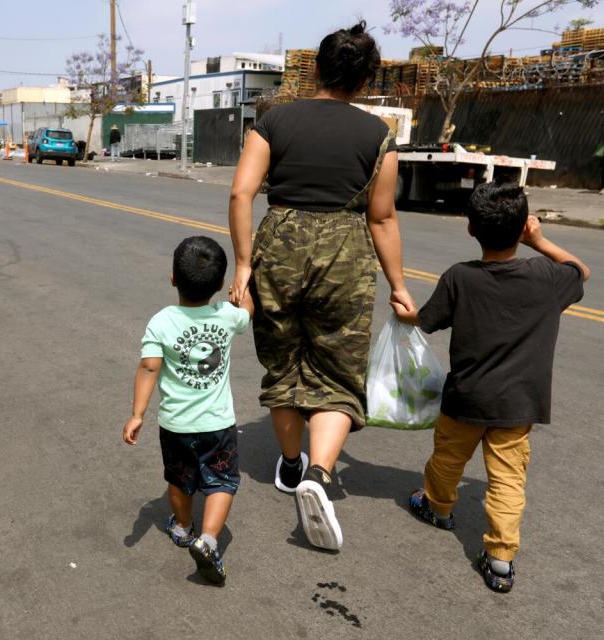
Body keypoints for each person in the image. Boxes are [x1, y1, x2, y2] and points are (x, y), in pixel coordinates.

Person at [227, 21, 415, 551]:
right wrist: (399, 285)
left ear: (316, 69)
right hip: (345, 252)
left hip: (279, 245)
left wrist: (244, 266)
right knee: (336, 369)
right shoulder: (378, 135)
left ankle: (291, 464)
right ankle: (321, 474)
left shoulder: (273, 120)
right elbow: (382, 218)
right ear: (365, 78)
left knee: (283, 361)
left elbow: (242, 195)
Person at [393, 182, 590, 594]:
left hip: (465, 397)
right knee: (507, 481)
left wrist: (404, 314)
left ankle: (437, 507)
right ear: (523, 228)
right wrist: (539, 240)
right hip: (519, 404)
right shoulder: (547, 277)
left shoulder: (459, 277)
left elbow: (426, 319)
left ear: (470, 229)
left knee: (448, 458)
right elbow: (580, 270)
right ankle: (500, 560)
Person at [123, 236, 253, 584]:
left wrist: (137, 414)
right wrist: (244, 287)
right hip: (217, 423)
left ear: (173, 279)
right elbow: (247, 314)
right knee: (222, 480)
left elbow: (149, 368)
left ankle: (182, 527)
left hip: (176, 425)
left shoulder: (162, 322)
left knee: (179, 480)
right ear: (221, 285)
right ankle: (209, 539)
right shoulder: (226, 315)